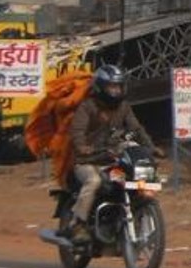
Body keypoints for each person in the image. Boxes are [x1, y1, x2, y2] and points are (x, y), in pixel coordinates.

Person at [66, 64, 158, 245]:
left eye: (118, 87)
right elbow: (77, 131)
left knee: (135, 177)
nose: (115, 91)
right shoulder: (88, 107)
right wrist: (83, 147)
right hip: (88, 161)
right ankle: (78, 224)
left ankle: (128, 217)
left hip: (112, 158)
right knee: (94, 182)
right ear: (100, 87)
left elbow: (136, 129)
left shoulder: (123, 107)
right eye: (111, 87)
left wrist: (150, 147)